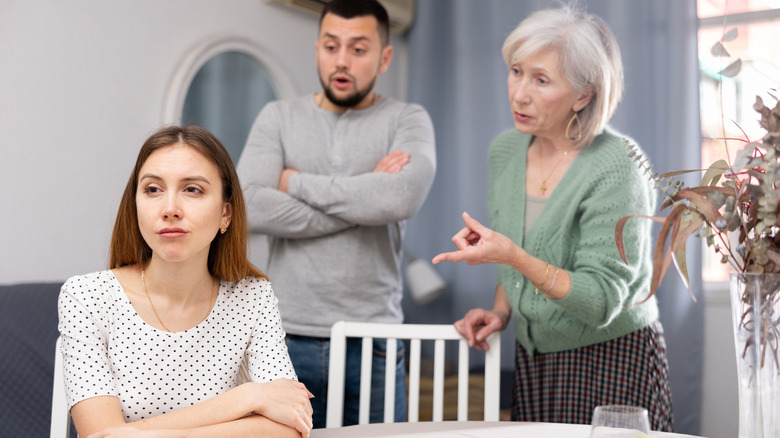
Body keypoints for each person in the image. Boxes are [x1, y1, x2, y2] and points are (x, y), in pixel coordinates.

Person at [432, 6, 674, 431]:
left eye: (541, 80)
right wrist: (501, 312)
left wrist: (512, 257)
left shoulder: (618, 167)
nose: (519, 93)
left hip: (612, 357)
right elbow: (514, 244)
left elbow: (599, 301)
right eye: (516, 71)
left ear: (583, 94)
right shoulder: (506, 151)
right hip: (534, 357)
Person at [236, 0, 436, 428]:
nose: (341, 60)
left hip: (375, 340)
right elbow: (248, 206)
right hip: (285, 336)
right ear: (317, 50)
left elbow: (399, 199)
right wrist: (366, 195)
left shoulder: (408, 120)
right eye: (331, 46)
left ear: (385, 57)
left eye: (359, 49)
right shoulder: (279, 117)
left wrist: (294, 182)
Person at [58, 126, 313, 438]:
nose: (170, 210)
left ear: (226, 213)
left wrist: (154, 436)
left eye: (192, 190)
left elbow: (290, 428)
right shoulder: (86, 296)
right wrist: (247, 397)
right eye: (153, 190)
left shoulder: (253, 297)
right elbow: (100, 434)